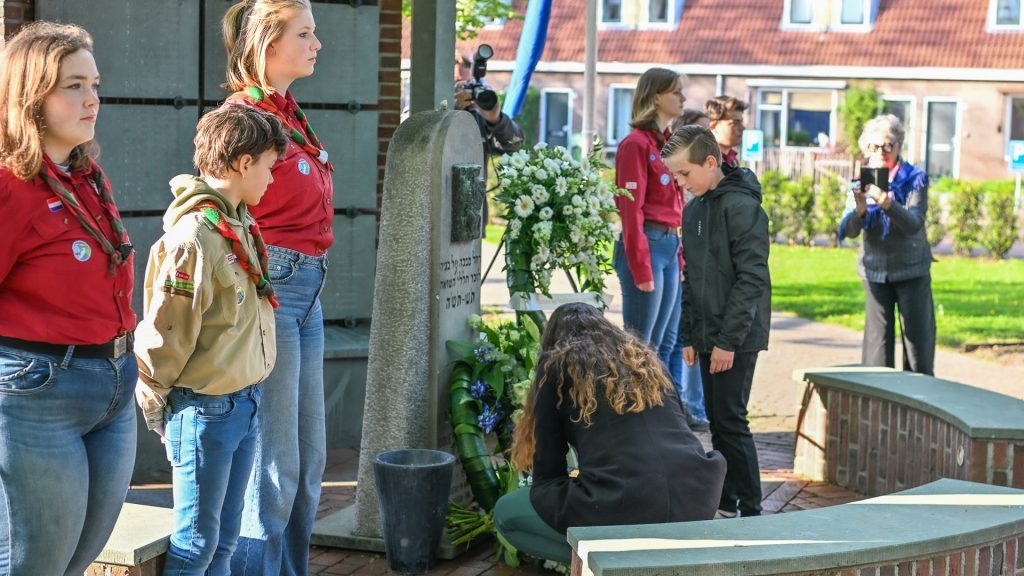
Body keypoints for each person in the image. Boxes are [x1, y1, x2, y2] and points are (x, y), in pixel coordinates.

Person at [0, 21, 138, 574]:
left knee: (75, 563)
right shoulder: (10, 184)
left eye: (95, 84)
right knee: (34, 565)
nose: (93, 99)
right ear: (32, 95)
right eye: (73, 86)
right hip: (39, 395)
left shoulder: (84, 173)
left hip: (113, 386)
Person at [134, 105, 286, 575]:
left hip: (243, 402)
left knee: (224, 538)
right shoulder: (195, 238)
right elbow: (168, 330)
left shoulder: (238, 221)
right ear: (244, 164)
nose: (272, 180)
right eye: (269, 167)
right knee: (197, 542)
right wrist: (155, 398)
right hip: (205, 410)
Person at [221, 1, 333, 572]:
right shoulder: (245, 116)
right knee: (273, 465)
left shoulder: (287, 112)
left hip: (305, 292)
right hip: (274, 289)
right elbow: (220, 210)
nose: (317, 43)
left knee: (309, 462)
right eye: (305, 34)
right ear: (267, 42)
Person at [493, 303, 726, 563]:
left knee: (506, 514)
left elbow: (547, 472)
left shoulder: (556, 366)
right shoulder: (648, 361)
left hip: (626, 500)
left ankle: (611, 564)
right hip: (697, 494)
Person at [662, 125, 771, 518]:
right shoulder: (694, 210)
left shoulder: (743, 209)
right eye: (675, 175)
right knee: (717, 422)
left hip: (737, 336)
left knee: (731, 420)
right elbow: (690, 277)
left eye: (685, 174)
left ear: (711, 162)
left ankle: (752, 507)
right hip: (707, 334)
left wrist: (726, 341)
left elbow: (752, 279)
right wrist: (691, 335)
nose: (680, 182)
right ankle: (726, 501)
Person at [839, 114, 935, 375]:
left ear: (899, 146)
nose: (880, 152)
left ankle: (919, 401)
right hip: (875, 272)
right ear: (865, 149)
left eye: (887, 146)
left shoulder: (915, 178)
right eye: (873, 146)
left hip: (911, 270)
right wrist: (858, 212)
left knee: (917, 345)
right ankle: (879, 402)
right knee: (877, 346)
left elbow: (914, 223)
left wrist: (887, 203)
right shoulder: (861, 183)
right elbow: (847, 230)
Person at [613, 67, 687, 375]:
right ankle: (631, 415)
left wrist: (679, 257)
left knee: (662, 345)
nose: (683, 98)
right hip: (647, 246)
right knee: (640, 349)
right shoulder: (636, 144)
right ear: (656, 97)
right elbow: (631, 211)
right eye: (676, 92)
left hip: (669, 246)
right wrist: (641, 266)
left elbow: (677, 204)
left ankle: (654, 415)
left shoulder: (667, 144)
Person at [665, 108, 711, 432]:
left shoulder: (703, 190)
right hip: (679, 269)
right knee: (675, 342)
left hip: (693, 272)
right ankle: (684, 406)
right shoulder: (688, 192)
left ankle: (690, 405)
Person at [704, 95, 748, 168]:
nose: (742, 128)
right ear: (712, 126)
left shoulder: (734, 161)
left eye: (741, 121)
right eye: (735, 122)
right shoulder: (705, 163)